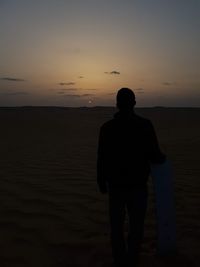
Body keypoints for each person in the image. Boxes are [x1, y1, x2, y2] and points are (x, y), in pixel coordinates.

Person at [97, 88, 166, 267]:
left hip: (116, 187)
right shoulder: (145, 125)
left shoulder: (107, 128)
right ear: (134, 103)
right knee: (136, 227)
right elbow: (155, 155)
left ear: (117, 104)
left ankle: (120, 261)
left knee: (117, 227)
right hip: (137, 187)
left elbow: (101, 158)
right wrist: (163, 160)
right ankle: (132, 259)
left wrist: (101, 181)